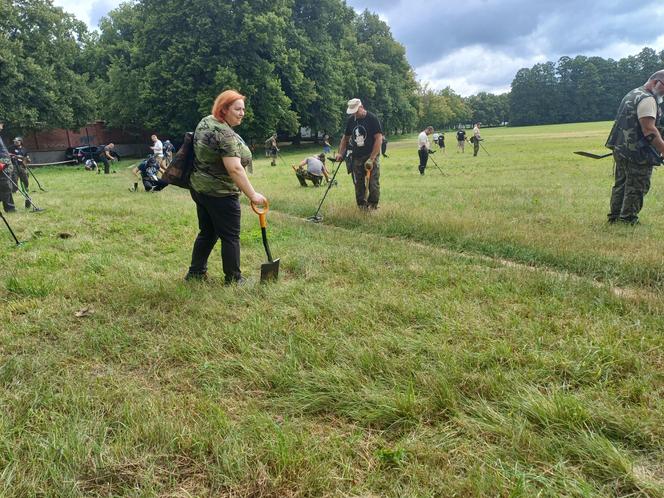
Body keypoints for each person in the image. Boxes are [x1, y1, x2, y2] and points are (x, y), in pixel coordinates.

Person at [186, 89, 267, 285]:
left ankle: (196, 273)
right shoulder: (224, 133)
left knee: (208, 232)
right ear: (224, 109)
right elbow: (235, 169)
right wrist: (253, 195)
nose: (242, 113)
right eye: (237, 109)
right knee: (230, 236)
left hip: (200, 189)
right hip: (220, 193)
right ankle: (234, 279)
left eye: (243, 109)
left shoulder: (206, 121)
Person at [605, 70, 664, 225]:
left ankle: (615, 217)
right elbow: (649, 129)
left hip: (622, 149)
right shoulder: (648, 99)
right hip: (637, 152)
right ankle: (628, 219)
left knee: (621, 184)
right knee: (637, 186)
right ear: (656, 82)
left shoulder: (633, 93)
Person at [335, 98, 383, 209]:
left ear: (361, 107)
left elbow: (378, 139)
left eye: (356, 111)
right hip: (356, 156)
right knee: (358, 183)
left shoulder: (372, 119)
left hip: (371, 154)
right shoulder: (351, 120)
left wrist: (372, 158)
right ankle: (361, 206)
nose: (354, 115)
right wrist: (340, 153)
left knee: (373, 183)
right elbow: (345, 139)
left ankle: (373, 205)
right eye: (352, 112)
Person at [0, 119, 16, 212]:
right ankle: (9, 208)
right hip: (2, 163)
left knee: (7, 183)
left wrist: (7, 154)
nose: (2, 127)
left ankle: (10, 208)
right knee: (5, 184)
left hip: (5, 161)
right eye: (1, 124)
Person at [9, 137, 31, 207]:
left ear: (20, 141)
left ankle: (26, 187)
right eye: (15, 141)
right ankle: (15, 190)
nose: (16, 142)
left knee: (25, 177)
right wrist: (13, 157)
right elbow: (8, 154)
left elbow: (27, 157)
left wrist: (27, 159)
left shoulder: (24, 149)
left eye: (17, 141)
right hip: (14, 165)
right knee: (14, 178)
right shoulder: (11, 148)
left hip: (22, 166)